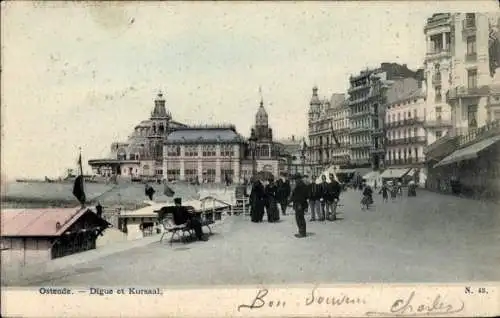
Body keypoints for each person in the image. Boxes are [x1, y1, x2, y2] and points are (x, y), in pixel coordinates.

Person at [290, 173, 309, 238]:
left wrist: (300, 204)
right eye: (295, 179)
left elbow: (303, 196)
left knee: (300, 218)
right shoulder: (298, 185)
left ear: (299, 179)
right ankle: (301, 231)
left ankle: (302, 233)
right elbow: (294, 195)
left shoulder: (301, 185)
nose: (295, 180)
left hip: (300, 204)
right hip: (297, 204)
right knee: (298, 218)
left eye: (296, 179)